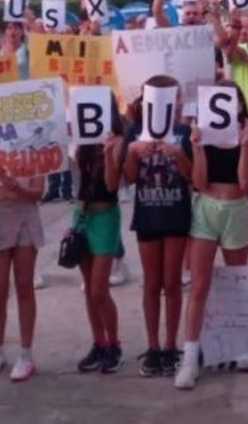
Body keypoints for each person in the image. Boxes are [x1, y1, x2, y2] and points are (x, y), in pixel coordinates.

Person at [174, 83, 248, 390]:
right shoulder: (203, 134)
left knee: (238, 281)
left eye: (232, 99)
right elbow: (198, 182)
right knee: (199, 286)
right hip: (207, 209)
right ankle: (190, 356)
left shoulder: (247, 132)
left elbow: (246, 182)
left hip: (236, 207)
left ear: (238, 104)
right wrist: (196, 147)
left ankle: (243, 344)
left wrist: (247, 145)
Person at [121, 80, 193, 377]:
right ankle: (152, 346)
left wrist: (178, 153)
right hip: (147, 213)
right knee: (152, 284)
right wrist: (132, 152)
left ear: (177, 101)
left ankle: (170, 345)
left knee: (172, 282)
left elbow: (192, 178)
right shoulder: (134, 132)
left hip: (176, 212)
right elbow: (127, 178)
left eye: (174, 98)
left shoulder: (185, 132)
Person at [0, 165, 44, 383]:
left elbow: (39, 191)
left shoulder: (32, 148)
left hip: (25, 212)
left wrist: (18, 188)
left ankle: (26, 353)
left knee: (25, 285)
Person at [74, 111, 124, 375]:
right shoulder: (81, 141)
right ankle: (99, 342)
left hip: (105, 216)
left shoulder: (116, 141)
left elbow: (112, 184)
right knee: (89, 290)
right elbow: (77, 177)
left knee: (98, 289)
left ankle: (114, 344)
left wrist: (107, 153)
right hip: (82, 214)